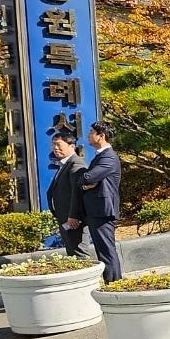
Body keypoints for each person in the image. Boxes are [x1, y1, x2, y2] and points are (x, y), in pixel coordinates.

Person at [77, 121, 122, 283]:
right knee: (103, 249)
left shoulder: (109, 157)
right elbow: (88, 179)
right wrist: (86, 183)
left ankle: (115, 283)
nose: (89, 135)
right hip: (97, 210)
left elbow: (87, 177)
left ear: (101, 136)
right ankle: (112, 282)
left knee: (106, 250)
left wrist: (85, 181)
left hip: (103, 211)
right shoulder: (101, 156)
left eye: (91, 133)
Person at [46, 130, 86, 257]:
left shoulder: (76, 163)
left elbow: (77, 191)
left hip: (73, 219)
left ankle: (88, 276)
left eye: (59, 145)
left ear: (72, 146)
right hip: (64, 216)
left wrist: (74, 215)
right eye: (54, 145)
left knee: (79, 252)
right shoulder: (64, 164)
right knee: (72, 251)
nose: (55, 148)